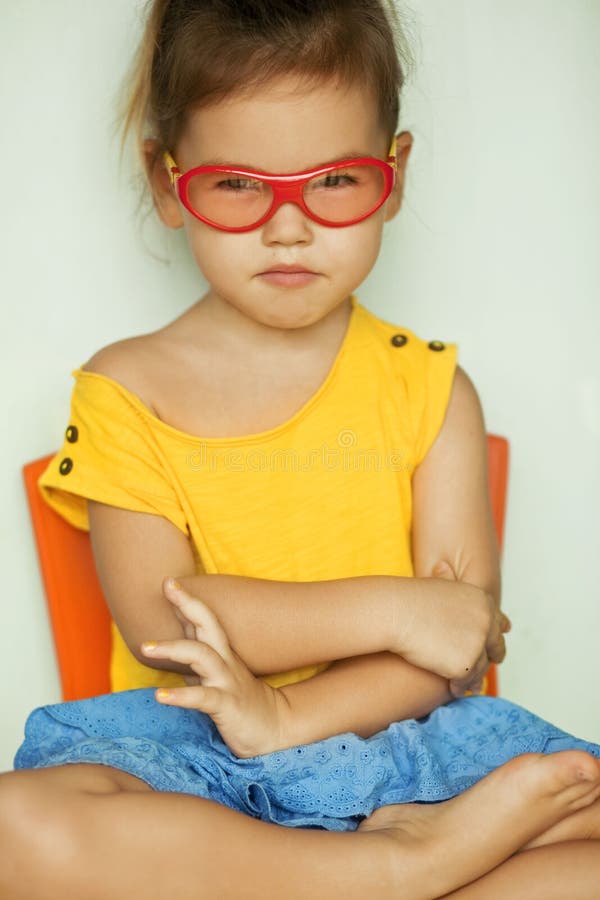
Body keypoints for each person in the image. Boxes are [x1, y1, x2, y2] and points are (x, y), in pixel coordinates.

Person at [2, 1, 600, 897]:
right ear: (168, 183)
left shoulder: (433, 391)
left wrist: (290, 716)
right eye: (238, 185)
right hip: (195, 762)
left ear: (394, 174)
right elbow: (169, 627)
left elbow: (457, 647)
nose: (289, 226)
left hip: (403, 755)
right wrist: (398, 610)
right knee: (14, 825)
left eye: (336, 180)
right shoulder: (126, 389)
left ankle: (366, 865)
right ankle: (399, 869)